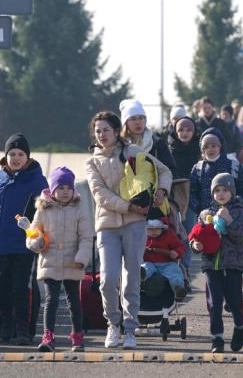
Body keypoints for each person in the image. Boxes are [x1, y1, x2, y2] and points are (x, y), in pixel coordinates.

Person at [85, 111, 172, 350]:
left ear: (116, 131)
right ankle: (113, 324)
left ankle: (130, 327)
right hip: (107, 226)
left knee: (131, 278)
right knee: (108, 279)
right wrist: (129, 206)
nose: (102, 135)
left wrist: (161, 192)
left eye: (106, 130)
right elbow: (100, 195)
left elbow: (164, 171)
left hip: (135, 224)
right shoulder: (91, 162)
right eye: (98, 131)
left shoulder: (133, 152)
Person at [29, 167, 92, 352]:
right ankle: (48, 335)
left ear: (73, 190)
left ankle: (77, 335)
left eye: (68, 188)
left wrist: (82, 258)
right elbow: (33, 232)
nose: (65, 192)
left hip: (73, 261)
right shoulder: (42, 208)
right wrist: (37, 242)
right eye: (61, 187)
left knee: (74, 300)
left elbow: (86, 237)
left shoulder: (79, 207)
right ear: (52, 189)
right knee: (51, 300)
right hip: (50, 260)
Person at [190, 173, 243, 353]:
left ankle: (240, 327)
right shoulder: (205, 213)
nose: (221, 194)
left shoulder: (239, 211)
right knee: (214, 304)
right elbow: (195, 235)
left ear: (232, 191)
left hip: (232, 265)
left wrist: (229, 220)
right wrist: (196, 245)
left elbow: (241, 235)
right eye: (217, 190)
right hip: (211, 266)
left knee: (234, 302)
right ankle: (217, 338)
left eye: (225, 190)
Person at [0, 133, 48, 345]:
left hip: (24, 245)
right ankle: (5, 329)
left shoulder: (38, 180)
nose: (16, 158)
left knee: (21, 288)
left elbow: (47, 210)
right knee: (3, 287)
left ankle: (23, 330)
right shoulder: (1, 178)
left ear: (27, 158)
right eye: (12, 154)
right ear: (5, 156)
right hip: (2, 245)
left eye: (20, 154)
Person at [168, 116, 202, 283]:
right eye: (181, 129)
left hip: (192, 198)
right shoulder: (169, 149)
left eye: (188, 129)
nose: (184, 133)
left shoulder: (200, 149)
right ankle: (175, 271)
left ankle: (185, 270)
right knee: (172, 234)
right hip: (173, 197)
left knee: (188, 235)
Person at [189, 127, 243, 216]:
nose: (210, 149)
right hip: (206, 217)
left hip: (231, 216)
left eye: (213, 146)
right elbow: (192, 192)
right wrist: (200, 210)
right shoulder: (198, 168)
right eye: (206, 147)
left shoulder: (233, 165)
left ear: (220, 146)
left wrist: (236, 205)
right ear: (202, 149)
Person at [119, 99, 177, 178]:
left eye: (141, 118)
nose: (138, 122)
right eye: (133, 119)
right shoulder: (120, 145)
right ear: (125, 122)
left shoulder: (157, 143)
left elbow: (171, 170)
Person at [141, 219, 186, 301]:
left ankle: (178, 288)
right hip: (149, 262)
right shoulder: (142, 237)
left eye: (157, 229)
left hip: (166, 263)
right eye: (150, 229)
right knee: (146, 267)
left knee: (174, 270)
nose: (154, 231)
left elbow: (180, 247)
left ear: (162, 229)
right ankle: (142, 275)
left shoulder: (169, 235)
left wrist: (176, 252)